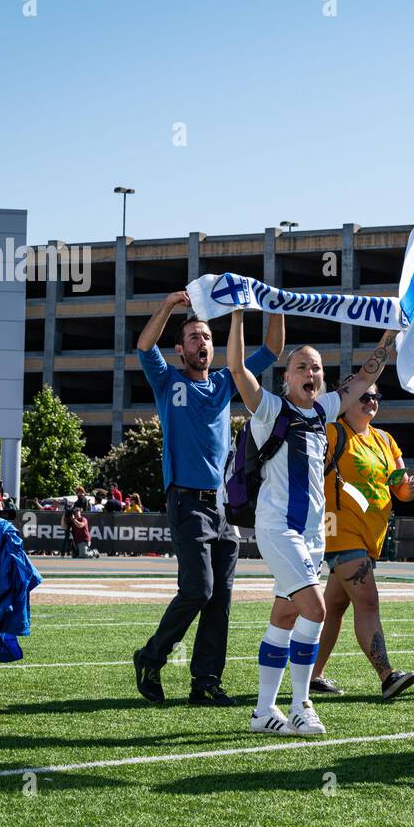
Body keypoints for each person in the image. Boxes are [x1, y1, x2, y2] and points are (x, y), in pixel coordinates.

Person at [225, 311, 394, 736]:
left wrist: (392, 332)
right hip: (277, 527)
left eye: (316, 367)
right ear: (287, 376)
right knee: (315, 608)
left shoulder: (325, 408)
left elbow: (368, 372)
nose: (311, 372)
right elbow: (236, 368)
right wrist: (239, 314)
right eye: (302, 366)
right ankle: (301, 704)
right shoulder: (270, 407)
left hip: (312, 534)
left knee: (283, 616)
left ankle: (264, 711)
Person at [132, 290, 283, 707]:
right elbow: (144, 346)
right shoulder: (167, 381)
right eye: (195, 338)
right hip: (186, 501)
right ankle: (150, 656)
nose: (203, 343)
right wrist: (166, 306)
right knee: (198, 589)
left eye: (207, 338)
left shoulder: (223, 382)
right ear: (180, 349)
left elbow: (272, 348)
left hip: (222, 507)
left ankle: (205, 681)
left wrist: (273, 306)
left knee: (220, 598)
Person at [307, 381, 414, 700]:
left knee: (334, 607)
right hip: (341, 532)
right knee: (368, 600)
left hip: (370, 536)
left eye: (376, 396)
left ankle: (311, 676)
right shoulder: (332, 433)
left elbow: (397, 485)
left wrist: (410, 486)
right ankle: (387, 676)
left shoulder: (385, 439)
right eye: (364, 396)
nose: (371, 401)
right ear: (345, 400)